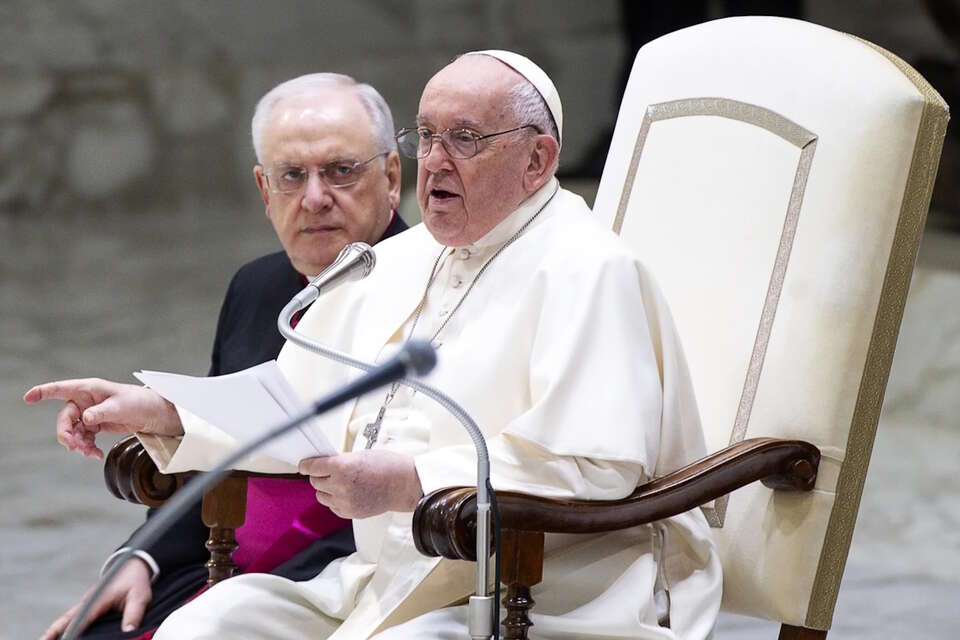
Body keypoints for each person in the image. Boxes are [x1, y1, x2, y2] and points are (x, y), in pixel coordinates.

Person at [27, 51, 722, 639]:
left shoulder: (589, 269)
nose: (435, 162)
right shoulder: (396, 261)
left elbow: (594, 465)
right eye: (427, 137)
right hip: (384, 577)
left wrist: (412, 481)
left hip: (543, 591)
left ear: (537, 159)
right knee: (211, 622)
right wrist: (161, 412)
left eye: (466, 140)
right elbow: (295, 406)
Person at [29, 72, 407, 640]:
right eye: (291, 176)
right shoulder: (256, 287)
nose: (314, 197)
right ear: (263, 191)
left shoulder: (426, 293)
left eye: (341, 171)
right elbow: (212, 456)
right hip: (215, 562)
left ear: (393, 176)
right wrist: (140, 557)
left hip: (339, 586)